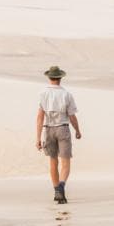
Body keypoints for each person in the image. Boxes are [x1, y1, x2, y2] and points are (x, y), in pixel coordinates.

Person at [36, 65, 81, 204]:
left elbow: (39, 117)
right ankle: (61, 186)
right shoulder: (67, 94)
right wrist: (77, 130)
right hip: (63, 128)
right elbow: (72, 116)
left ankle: (57, 191)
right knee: (65, 162)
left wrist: (38, 138)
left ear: (49, 78)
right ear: (60, 78)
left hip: (48, 129)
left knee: (53, 162)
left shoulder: (43, 94)